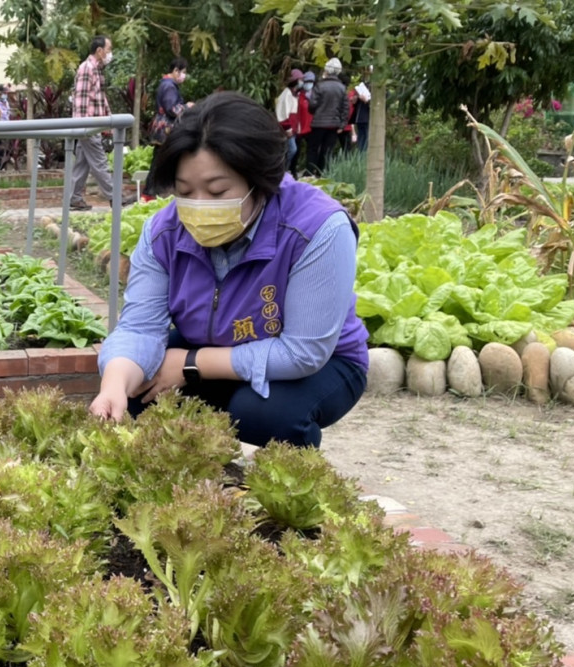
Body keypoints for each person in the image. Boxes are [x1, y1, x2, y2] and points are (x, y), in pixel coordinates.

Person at [88, 91, 369, 448]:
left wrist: (191, 364)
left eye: (218, 191)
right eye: (185, 191)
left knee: (264, 416)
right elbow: (140, 326)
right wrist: (114, 384)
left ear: (260, 181)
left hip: (319, 362)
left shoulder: (317, 228)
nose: (198, 207)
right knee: (133, 394)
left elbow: (303, 352)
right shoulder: (164, 232)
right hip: (209, 345)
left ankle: (289, 483)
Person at [69, 35, 135, 211]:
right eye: (108, 49)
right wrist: (85, 128)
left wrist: (108, 122)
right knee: (100, 162)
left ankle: (74, 198)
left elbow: (99, 99)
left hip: (92, 124)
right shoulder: (87, 68)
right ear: (99, 51)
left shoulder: (96, 70)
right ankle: (116, 197)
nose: (110, 53)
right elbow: (81, 101)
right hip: (88, 125)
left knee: (82, 163)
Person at [305, 58, 348, 176]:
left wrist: (315, 112)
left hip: (318, 123)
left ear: (326, 70)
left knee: (313, 149)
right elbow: (345, 108)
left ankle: (309, 173)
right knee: (327, 150)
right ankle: (321, 173)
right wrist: (342, 124)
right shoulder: (342, 88)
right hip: (333, 125)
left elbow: (312, 104)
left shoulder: (319, 86)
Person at [151, 57, 191, 144]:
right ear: (176, 70)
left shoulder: (165, 83)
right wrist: (187, 106)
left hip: (160, 128)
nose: (184, 75)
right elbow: (172, 109)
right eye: (183, 72)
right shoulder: (169, 86)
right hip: (166, 130)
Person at [275, 69, 303, 173]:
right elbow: (282, 113)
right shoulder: (286, 94)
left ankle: (284, 170)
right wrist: (288, 128)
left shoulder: (294, 95)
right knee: (292, 149)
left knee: (289, 150)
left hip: (291, 128)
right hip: (287, 128)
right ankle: (283, 170)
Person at [351, 70, 371, 152]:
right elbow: (356, 104)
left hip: (368, 118)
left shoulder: (379, 88)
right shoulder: (363, 86)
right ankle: (360, 158)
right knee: (361, 140)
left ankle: (364, 158)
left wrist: (367, 101)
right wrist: (355, 100)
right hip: (360, 118)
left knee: (366, 139)